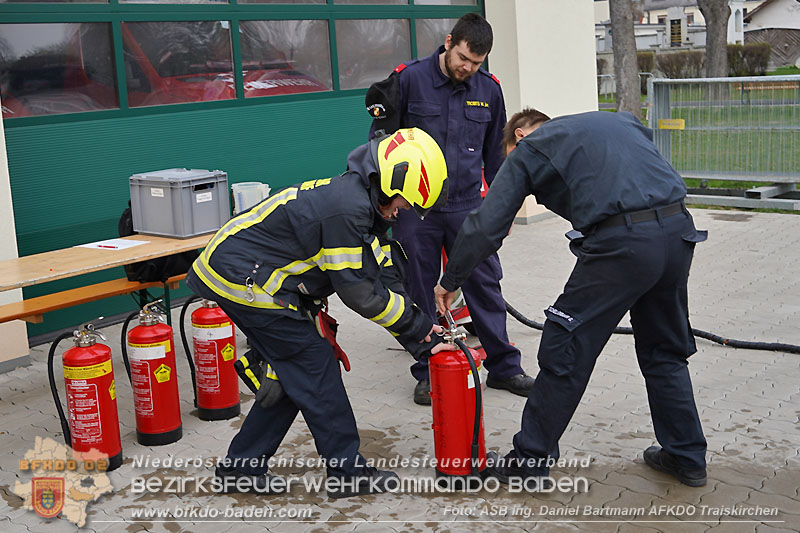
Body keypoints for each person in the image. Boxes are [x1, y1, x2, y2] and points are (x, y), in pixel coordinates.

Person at [434, 109, 709, 487]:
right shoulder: (616, 121)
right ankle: (687, 457)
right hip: (679, 231)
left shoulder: (531, 148)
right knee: (665, 350)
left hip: (621, 246)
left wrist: (451, 279)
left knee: (565, 350)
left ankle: (529, 461)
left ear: (519, 136)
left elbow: (486, 225)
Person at [186, 127, 456, 499]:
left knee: (294, 375)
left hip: (251, 272)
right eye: (406, 203)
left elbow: (384, 280)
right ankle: (346, 471)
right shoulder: (348, 211)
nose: (405, 212)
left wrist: (424, 339)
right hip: (241, 279)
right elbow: (361, 294)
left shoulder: (361, 199)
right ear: (389, 183)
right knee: (314, 366)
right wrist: (419, 327)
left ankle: (240, 468)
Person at [367, 12, 533, 405]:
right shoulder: (409, 79)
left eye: (477, 62)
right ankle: (427, 369)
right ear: (448, 42)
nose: (468, 68)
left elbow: (497, 154)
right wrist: (386, 200)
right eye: (463, 58)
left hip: (467, 206)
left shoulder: (489, 89)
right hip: (415, 208)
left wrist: (502, 209)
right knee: (419, 288)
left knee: (484, 283)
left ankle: (504, 368)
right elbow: (383, 146)